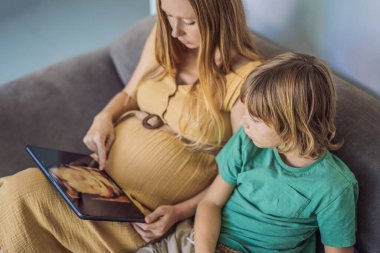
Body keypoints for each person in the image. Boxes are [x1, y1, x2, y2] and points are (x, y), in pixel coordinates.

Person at [0, 0, 261, 252]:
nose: (174, 30)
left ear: (221, 18)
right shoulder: (165, 39)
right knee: (12, 191)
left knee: (23, 192)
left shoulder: (245, 79)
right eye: (168, 16)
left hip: (136, 216)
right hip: (95, 182)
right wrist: (104, 116)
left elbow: (240, 171)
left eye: (189, 22)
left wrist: (180, 211)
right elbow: (129, 94)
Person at [193, 53, 358, 253]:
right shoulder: (247, 141)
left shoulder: (334, 186)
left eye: (255, 119)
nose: (244, 122)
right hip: (207, 242)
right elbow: (210, 203)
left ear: (294, 125)